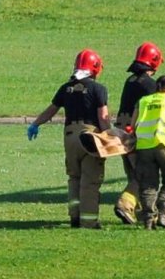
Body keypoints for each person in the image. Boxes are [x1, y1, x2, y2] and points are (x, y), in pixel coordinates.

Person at [27, 49, 111, 229]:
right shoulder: (98, 89)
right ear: (95, 68)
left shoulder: (66, 88)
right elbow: (103, 116)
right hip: (90, 136)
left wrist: (35, 124)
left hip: (70, 136)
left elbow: (51, 110)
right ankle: (88, 221)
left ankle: (74, 216)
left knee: (74, 178)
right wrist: (110, 138)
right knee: (90, 180)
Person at [113, 41, 164, 225]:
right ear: (155, 61)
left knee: (133, 172)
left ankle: (142, 212)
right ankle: (125, 204)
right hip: (135, 133)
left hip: (121, 130)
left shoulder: (131, 80)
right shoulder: (150, 84)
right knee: (143, 174)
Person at [132, 75, 165, 230]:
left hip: (144, 147)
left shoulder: (143, 101)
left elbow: (133, 124)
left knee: (148, 184)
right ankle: (163, 214)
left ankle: (148, 219)